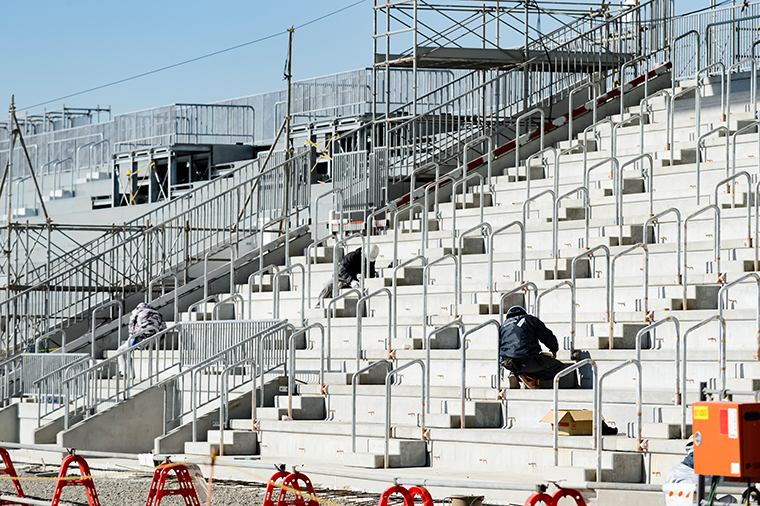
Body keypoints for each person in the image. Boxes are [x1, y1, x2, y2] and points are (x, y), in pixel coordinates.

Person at [498, 305, 575, 389]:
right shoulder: (530, 319)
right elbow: (546, 336)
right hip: (528, 358)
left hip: (508, 362)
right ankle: (528, 376)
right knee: (559, 368)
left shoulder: (503, 326)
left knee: (516, 361)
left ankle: (514, 374)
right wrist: (554, 349)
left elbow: (500, 345)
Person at [117, 302, 167, 378]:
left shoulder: (136, 312)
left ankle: (124, 373)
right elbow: (163, 327)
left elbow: (131, 326)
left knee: (121, 350)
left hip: (141, 338)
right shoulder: (158, 314)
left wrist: (132, 338)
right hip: (155, 338)